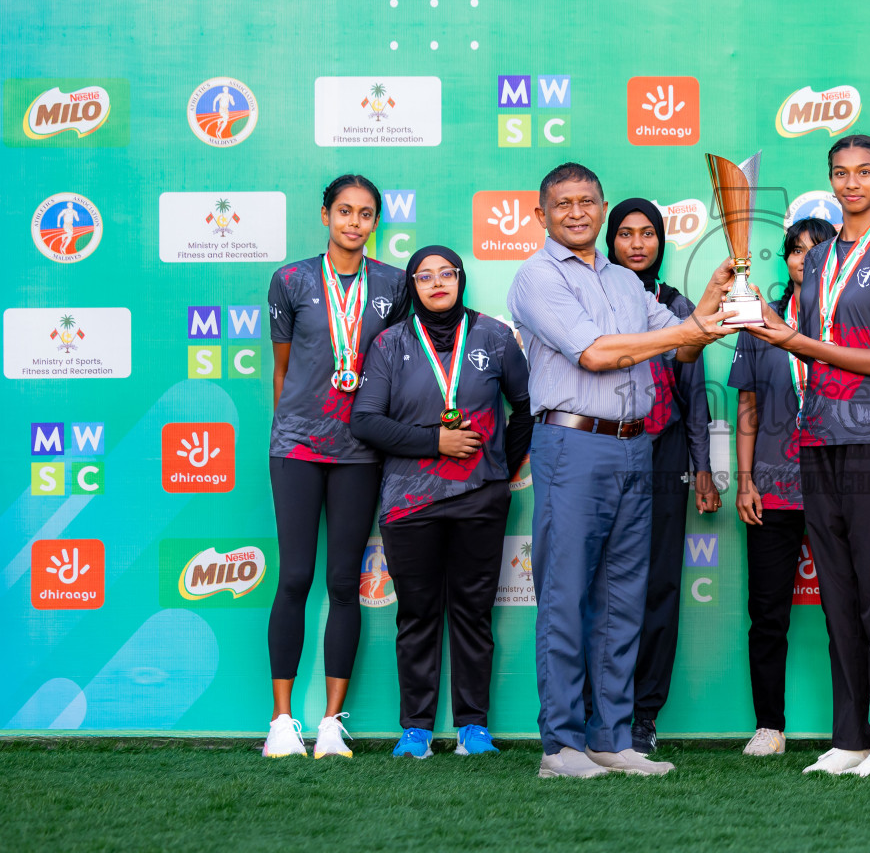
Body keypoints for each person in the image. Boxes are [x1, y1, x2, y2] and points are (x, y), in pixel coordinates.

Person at [508, 162, 736, 780]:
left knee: (622, 598)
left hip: (637, 448)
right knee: (565, 594)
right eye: (563, 203)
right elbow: (596, 352)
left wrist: (716, 294)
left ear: (602, 207)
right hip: (574, 445)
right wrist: (685, 329)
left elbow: (685, 345)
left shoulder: (628, 284)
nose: (576, 212)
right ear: (542, 214)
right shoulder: (535, 278)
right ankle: (560, 745)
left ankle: (610, 737)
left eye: (587, 201)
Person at [746, 134, 870, 777]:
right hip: (816, 440)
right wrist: (762, 312)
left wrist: (798, 341)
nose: (852, 183)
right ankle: (849, 739)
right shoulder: (817, 261)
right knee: (841, 597)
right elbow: (801, 340)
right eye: (840, 173)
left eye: (865, 173)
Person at [351, 246, 534, 758]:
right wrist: (437, 443)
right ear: (412, 284)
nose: (437, 282)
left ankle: (473, 725)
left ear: (461, 279)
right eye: (424, 275)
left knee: (474, 613)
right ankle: (416, 729)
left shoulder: (494, 336)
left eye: (446, 274)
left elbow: (525, 409)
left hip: (481, 497)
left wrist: (497, 466)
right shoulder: (389, 343)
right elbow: (365, 421)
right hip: (410, 502)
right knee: (417, 614)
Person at [263, 174, 409, 759]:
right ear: (325, 214)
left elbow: (399, 365)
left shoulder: (394, 285)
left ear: (377, 221)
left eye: (366, 213)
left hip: (361, 451)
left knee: (344, 583)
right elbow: (282, 369)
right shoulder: (291, 280)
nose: (354, 222)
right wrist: (292, 428)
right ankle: (279, 723)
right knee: (295, 577)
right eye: (344, 211)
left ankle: (329, 724)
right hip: (297, 447)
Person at [605, 198, 723, 754]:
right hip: (601, 446)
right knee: (599, 583)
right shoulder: (591, 299)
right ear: (609, 240)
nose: (635, 244)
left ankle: (643, 714)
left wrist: (701, 466)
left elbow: (694, 394)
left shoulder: (678, 307)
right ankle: (595, 710)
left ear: (661, 242)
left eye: (647, 234)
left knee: (657, 584)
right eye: (625, 234)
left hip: (664, 452)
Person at [729, 216, 837, 756]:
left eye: (815, 250)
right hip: (773, 487)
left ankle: (854, 728)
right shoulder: (757, 320)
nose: (802, 259)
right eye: (795, 250)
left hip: (840, 484)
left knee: (848, 609)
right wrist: (745, 480)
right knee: (767, 613)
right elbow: (746, 406)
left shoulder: (849, 317)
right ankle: (769, 725)